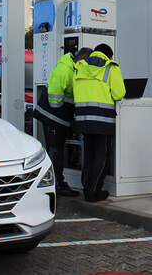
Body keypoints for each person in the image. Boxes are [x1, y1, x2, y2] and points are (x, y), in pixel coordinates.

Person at [33, 47, 92, 197]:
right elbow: (55, 98)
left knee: (57, 151)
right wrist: (62, 114)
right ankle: (57, 185)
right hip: (53, 117)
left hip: (56, 117)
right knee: (56, 152)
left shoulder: (69, 69)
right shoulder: (64, 70)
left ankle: (56, 183)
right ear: (82, 59)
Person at [73, 43, 125, 202]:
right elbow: (119, 93)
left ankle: (86, 186)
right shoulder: (111, 67)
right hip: (102, 119)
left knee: (88, 154)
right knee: (101, 155)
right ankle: (94, 191)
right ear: (109, 56)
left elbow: (74, 89)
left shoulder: (80, 66)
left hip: (83, 118)